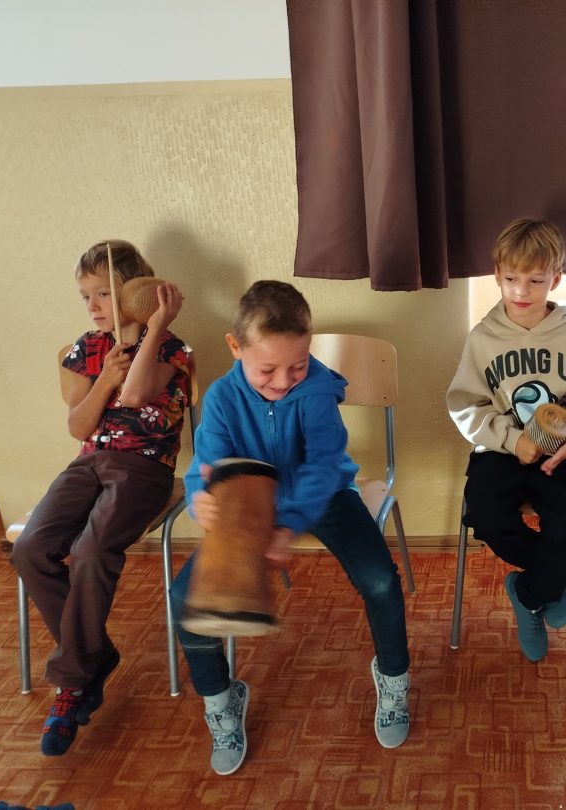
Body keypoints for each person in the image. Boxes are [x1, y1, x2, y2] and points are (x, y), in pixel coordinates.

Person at [168, 280, 411, 776]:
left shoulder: (317, 392)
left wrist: (289, 523)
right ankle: (221, 701)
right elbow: (207, 465)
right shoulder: (221, 398)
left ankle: (394, 677)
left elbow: (322, 466)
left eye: (297, 365)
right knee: (183, 600)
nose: (283, 381)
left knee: (380, 580)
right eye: (267, 370)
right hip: (248, 504)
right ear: (235, 347)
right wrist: (201, 499)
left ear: (308, 348)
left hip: (323, 494)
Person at [10, 240, 188, 756]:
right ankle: (95, 655)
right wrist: (103, 376)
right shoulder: (85, 350)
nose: (92, 305)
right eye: (85, 295)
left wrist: (154, 327)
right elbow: (78, 427)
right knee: (30, 549)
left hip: (144, 469)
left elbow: (136, 395)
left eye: (103, 293)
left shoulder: (171, 348)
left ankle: (71, 683)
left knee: (91, 551)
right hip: (88, 462)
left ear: (134, 292)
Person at [446, 218, 566, 663]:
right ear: (497, 275)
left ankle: (530, 591)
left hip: (562, 456)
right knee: (484, 514)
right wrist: (510, 439)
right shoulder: (482, 338)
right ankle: (549, 581)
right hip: (501, 452)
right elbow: (465, 405)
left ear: (555, 279)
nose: (521, 291)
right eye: (511, 279)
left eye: (535, 281)